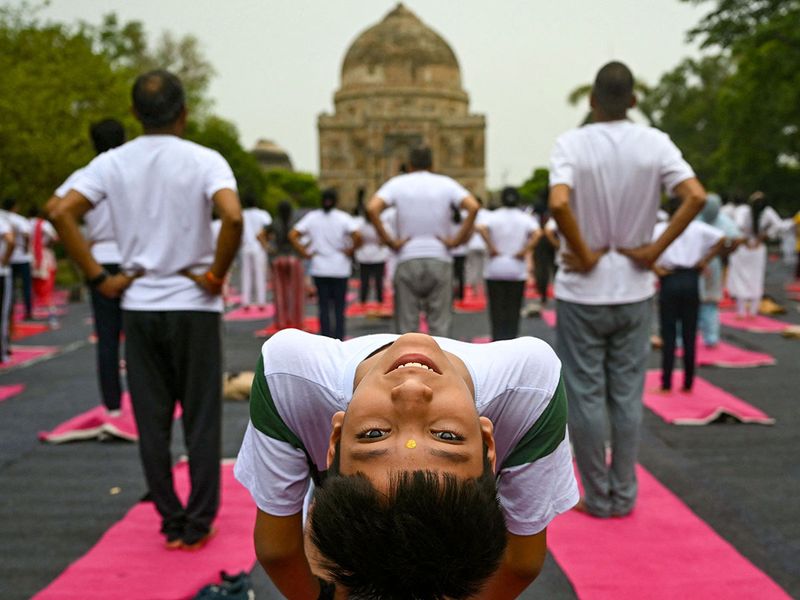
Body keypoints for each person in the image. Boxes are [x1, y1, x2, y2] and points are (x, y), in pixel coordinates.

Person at [234, 329, 578, 599]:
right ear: (489, 444)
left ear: (335, 440)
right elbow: (521, 561)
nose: (412, 389)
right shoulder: (532, 386)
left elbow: (278, 549)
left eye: (374, 434)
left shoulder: (289, 372)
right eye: (446, 437)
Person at [50, 69, 243, 549]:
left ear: (135, 113)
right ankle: (199, 521)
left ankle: (170, 517)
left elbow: (59, 212)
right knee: (200, 417)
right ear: (185, 112)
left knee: (152, 420)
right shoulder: (205, 160)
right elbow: (233, 216)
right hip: (194, 302)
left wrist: (98, 277)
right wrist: (216, 275)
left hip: (139, 303)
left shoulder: (113, 163)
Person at [548, 61, 706, 518]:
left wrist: (585, 250)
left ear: (592, 99)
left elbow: (559, 201)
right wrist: (655, 249)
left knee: (586, 394)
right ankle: (624, 492)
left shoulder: (571, 143)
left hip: (582, 290)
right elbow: (694, 195)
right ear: (633, 101)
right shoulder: (655, 142)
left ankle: (598, 496)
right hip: (634, 287)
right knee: (626, 395)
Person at [48, 118, 126, 413]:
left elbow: (54, 208)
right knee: (140, 339)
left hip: (100, 257)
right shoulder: (132, 168)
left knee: (107, 336)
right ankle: (146, 405)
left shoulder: (86, 175)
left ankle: (112, 405)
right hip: (133, 259)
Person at [367, 147, 479, 336]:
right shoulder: (446, 184)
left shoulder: (397, 184)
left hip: (407, 257)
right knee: (440, 328)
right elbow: (473, 206)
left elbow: (372, 208)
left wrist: (390, 241)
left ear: (409, 164)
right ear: (432, 164)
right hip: (440, 258)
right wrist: (456, 241)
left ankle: (408, 364)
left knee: (406, 330)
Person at [652, 198, 725, 392]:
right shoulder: (697, 228)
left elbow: (643, 249)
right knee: (689, 333)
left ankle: (666, 382)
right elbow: (721, 239)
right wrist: (704, 260)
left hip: (670, 278)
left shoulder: (661, 229)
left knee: (668, 334)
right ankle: (688, 382)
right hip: (691, 278)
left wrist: (655, 268)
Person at [289, 188, 360, 339]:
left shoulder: (312, 217)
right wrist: (350, 250)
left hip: (320, 267)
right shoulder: (343, 217)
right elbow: (358, 236)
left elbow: (293, 235)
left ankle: (326, 338)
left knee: (323, 306)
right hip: (340, 268)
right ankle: (339, 337)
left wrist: (304, 252)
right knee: (339, 307)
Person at [478, 186, 541, 340]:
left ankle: (497, 340)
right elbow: (538, 233)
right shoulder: (525, 217)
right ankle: (511, 340)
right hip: (516, 270)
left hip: (495, 269)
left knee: (496, 310)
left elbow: (480, 227)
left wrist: (491, 247)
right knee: (513, 309)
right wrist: (525, 250)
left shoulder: (493, 216)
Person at [727, 191, 783, 318]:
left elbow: (737, 227)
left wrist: (746, 239)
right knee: (756, 278)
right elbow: (779, 226)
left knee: (740, 278)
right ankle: (753, 311)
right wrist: (762, 237)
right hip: (757, 248)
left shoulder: (743, 211)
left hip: (743, 247)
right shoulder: (768, 212)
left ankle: (741, 311)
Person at [696, 194, 741, 347]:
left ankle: (703, 337)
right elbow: (737, 239)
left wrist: (723, 253)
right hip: (704, 262)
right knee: (707, 302)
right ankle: (710, 336)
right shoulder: (722, 221)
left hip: (699, 262)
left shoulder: (697, 218)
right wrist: (724, 253)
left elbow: (737, 240)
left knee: (704, 301)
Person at [268, 200, 306, 330]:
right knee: (296, 292)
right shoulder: (295, 222)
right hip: (293, 259)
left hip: (278, 258)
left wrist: (269, 248)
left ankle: (281, 322)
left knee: (279, 292)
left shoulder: (275, 222)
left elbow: (260, 235)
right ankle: (296, 321)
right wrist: (303, 250)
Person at [352, 201, 389, 310]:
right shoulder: (381, 224)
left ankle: (364, 301)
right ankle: (378, 301)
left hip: (367, 255)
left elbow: (357, 238)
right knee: (376, 281)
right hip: (377, 254)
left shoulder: (360, 225)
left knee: (366, 281)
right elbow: (385, 238)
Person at [239, 193, 272, 310]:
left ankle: (246, 302)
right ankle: (261, 302)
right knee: (260, 275)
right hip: (259, 248)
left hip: (245, 247)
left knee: (246, 275)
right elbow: (269, 230)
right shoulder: (262, 214)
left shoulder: (241, 214)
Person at [28, 207, 59, 328]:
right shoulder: (44, 224)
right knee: (47, 287)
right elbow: (55, 237)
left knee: (34, 287)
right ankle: (52, 316)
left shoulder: (25, 223)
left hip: (29, 257)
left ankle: (31, 313)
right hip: (44, 257)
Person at [3, 198, 33, 321]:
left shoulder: (3, 218)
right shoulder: (19, 219)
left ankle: (10, 314)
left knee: (10, 288)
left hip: (9, 258)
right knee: (26, 286)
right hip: (22, 256)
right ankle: (28, 312)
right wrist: (26, 247)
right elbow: (26, 235)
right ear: (15, 207)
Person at [0, 214, 15, 362]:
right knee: (3, 314)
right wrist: (4, 260)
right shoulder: (2, 219)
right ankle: (3, 351)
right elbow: (11, 241)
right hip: (1, 273)